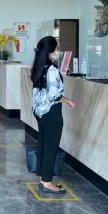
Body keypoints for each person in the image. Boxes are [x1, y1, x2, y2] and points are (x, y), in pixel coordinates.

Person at [31, 36, 76, 194]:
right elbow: (54, 95)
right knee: (51, 147)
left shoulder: (39, 65)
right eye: (56, 49)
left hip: (40, 112)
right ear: (50, 51)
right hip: (51, 113)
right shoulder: (52, 70)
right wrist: (68, 101)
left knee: (44, 144)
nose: (58, 51)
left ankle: (43, 178)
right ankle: (47, 182)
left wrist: (60, 74)